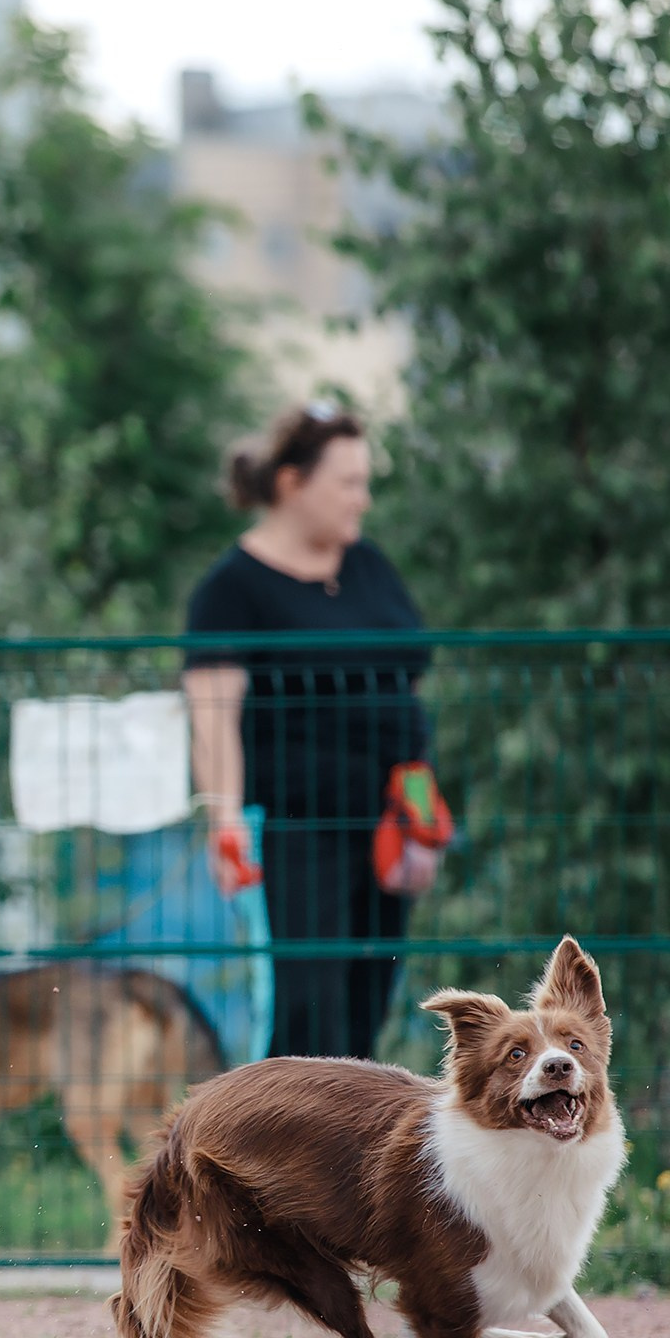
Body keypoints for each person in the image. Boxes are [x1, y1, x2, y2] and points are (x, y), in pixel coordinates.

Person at [183, 403, 433, 1061]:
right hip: (293, 829)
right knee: (304, 1014)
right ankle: (271, 1159)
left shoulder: (368, 565)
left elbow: (407, 680)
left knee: (363, 1006)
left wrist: (420, 799)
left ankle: (345, 1163)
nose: (363, 497)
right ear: (293, 483)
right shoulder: (231, 589)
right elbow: (212, 716)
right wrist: (225, 821)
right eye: (348, 482)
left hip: (383, 822)